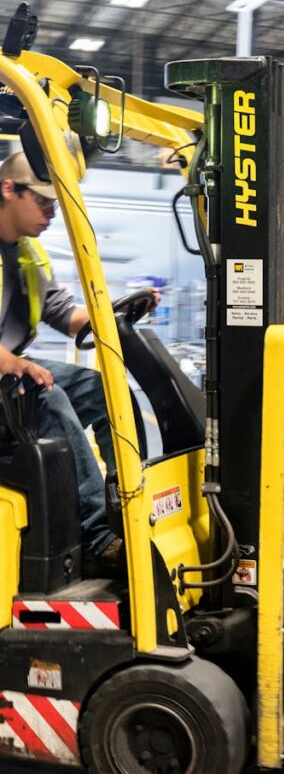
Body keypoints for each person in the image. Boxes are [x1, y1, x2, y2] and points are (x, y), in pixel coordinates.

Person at [0, 150, 157, 576]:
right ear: (9, 189)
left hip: (10, 372)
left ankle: (125, 507)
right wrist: (14, 364)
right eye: (44, 203)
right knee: (49, 398)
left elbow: (66, 317)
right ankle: (97, 539)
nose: (51, 213)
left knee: (107, 391)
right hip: (4, 375)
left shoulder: (28, 254)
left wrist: (117, 313)